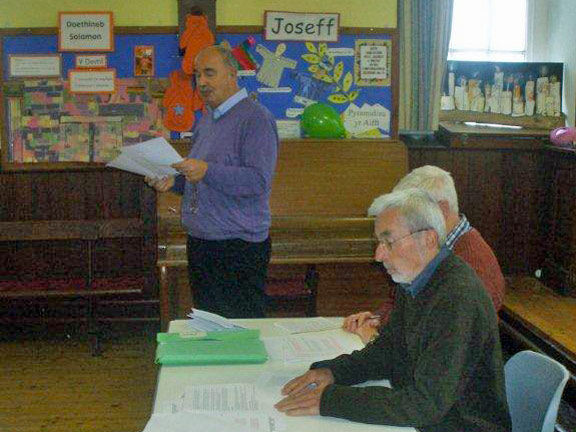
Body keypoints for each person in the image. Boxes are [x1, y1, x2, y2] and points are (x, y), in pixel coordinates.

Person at [275, 189, 511, 432]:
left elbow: (425, 404)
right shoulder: (416, 281)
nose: (378, 255)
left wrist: (332, 400)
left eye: (388, 242)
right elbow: (389, 350)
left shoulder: (457, 298)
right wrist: (334, 372)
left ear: (428, 239)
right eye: (379, 242)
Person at [147, 45, 279, 318]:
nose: (202, 82)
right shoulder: (206, 121)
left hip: (237, 245)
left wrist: (206, 170)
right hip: (203, 240)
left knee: (242, 330)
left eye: (209, 73)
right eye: (197, 75)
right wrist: (174, 183)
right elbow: (202, 179)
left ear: (232, 74)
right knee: (211, 326)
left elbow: (258, 181)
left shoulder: (256, 119)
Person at [343, 165, 505, 343]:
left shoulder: (472, 265)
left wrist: (375, 336)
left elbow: (438, 331)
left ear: (441, 210)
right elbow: (402, 300)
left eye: (408, 209)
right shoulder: (429, 250)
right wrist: (375, 319)